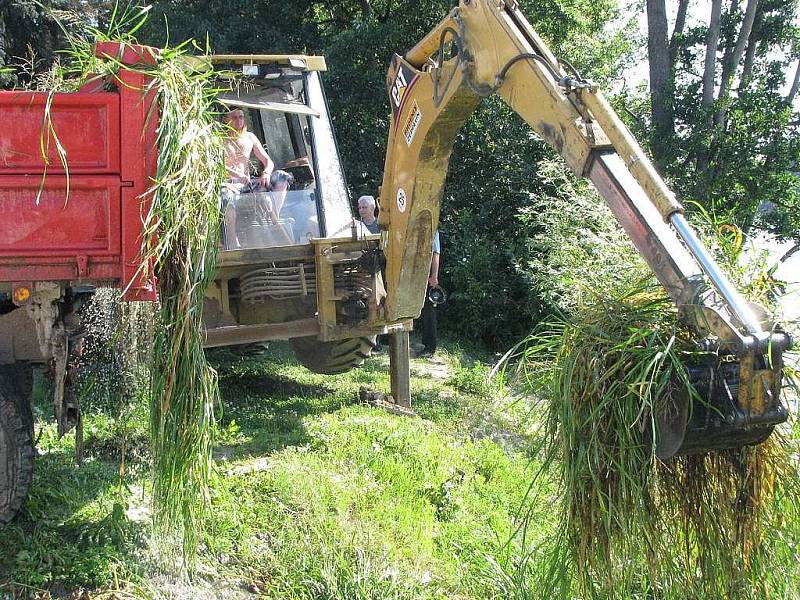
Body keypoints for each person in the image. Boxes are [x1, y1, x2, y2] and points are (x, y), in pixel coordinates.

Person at [223, 108, 274, 190]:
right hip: (229, 184)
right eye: (234, 117)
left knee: (282, 177)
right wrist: (238, 175)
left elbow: (268, 161)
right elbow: (217, 165)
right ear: (226, 120)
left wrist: (266, 173)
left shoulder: (250, 137)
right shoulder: (220, 139)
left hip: (248, 183)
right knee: (225, 193)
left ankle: (278, 203)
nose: (238, 120)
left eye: (241, 117)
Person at [417, 230, 440, 358]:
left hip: (426, 274)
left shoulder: (433, 229)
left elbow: (435, 253)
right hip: (411, 274)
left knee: (428, 309)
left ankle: (429, 348)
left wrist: (434, 276)